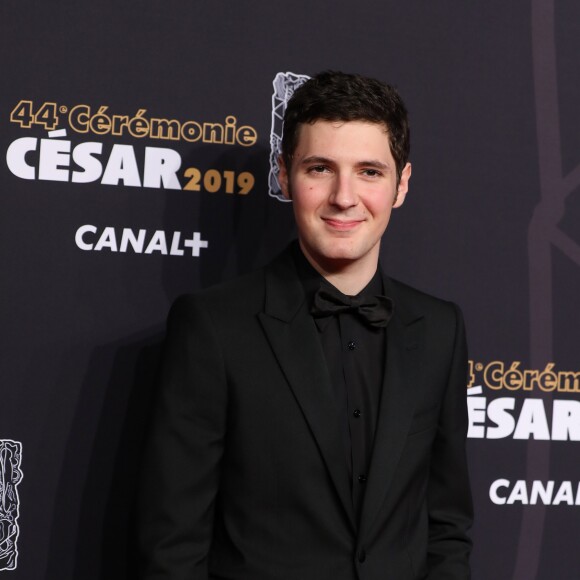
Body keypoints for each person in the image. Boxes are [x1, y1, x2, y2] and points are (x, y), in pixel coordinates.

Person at [138, 70, 473, 579]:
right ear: (283, 174)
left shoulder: (439, 328)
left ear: (401, 185)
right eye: (320, 168)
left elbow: (447, 524)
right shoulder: (213, 327)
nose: (344, 196)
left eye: (369, 171)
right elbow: (171, 545)